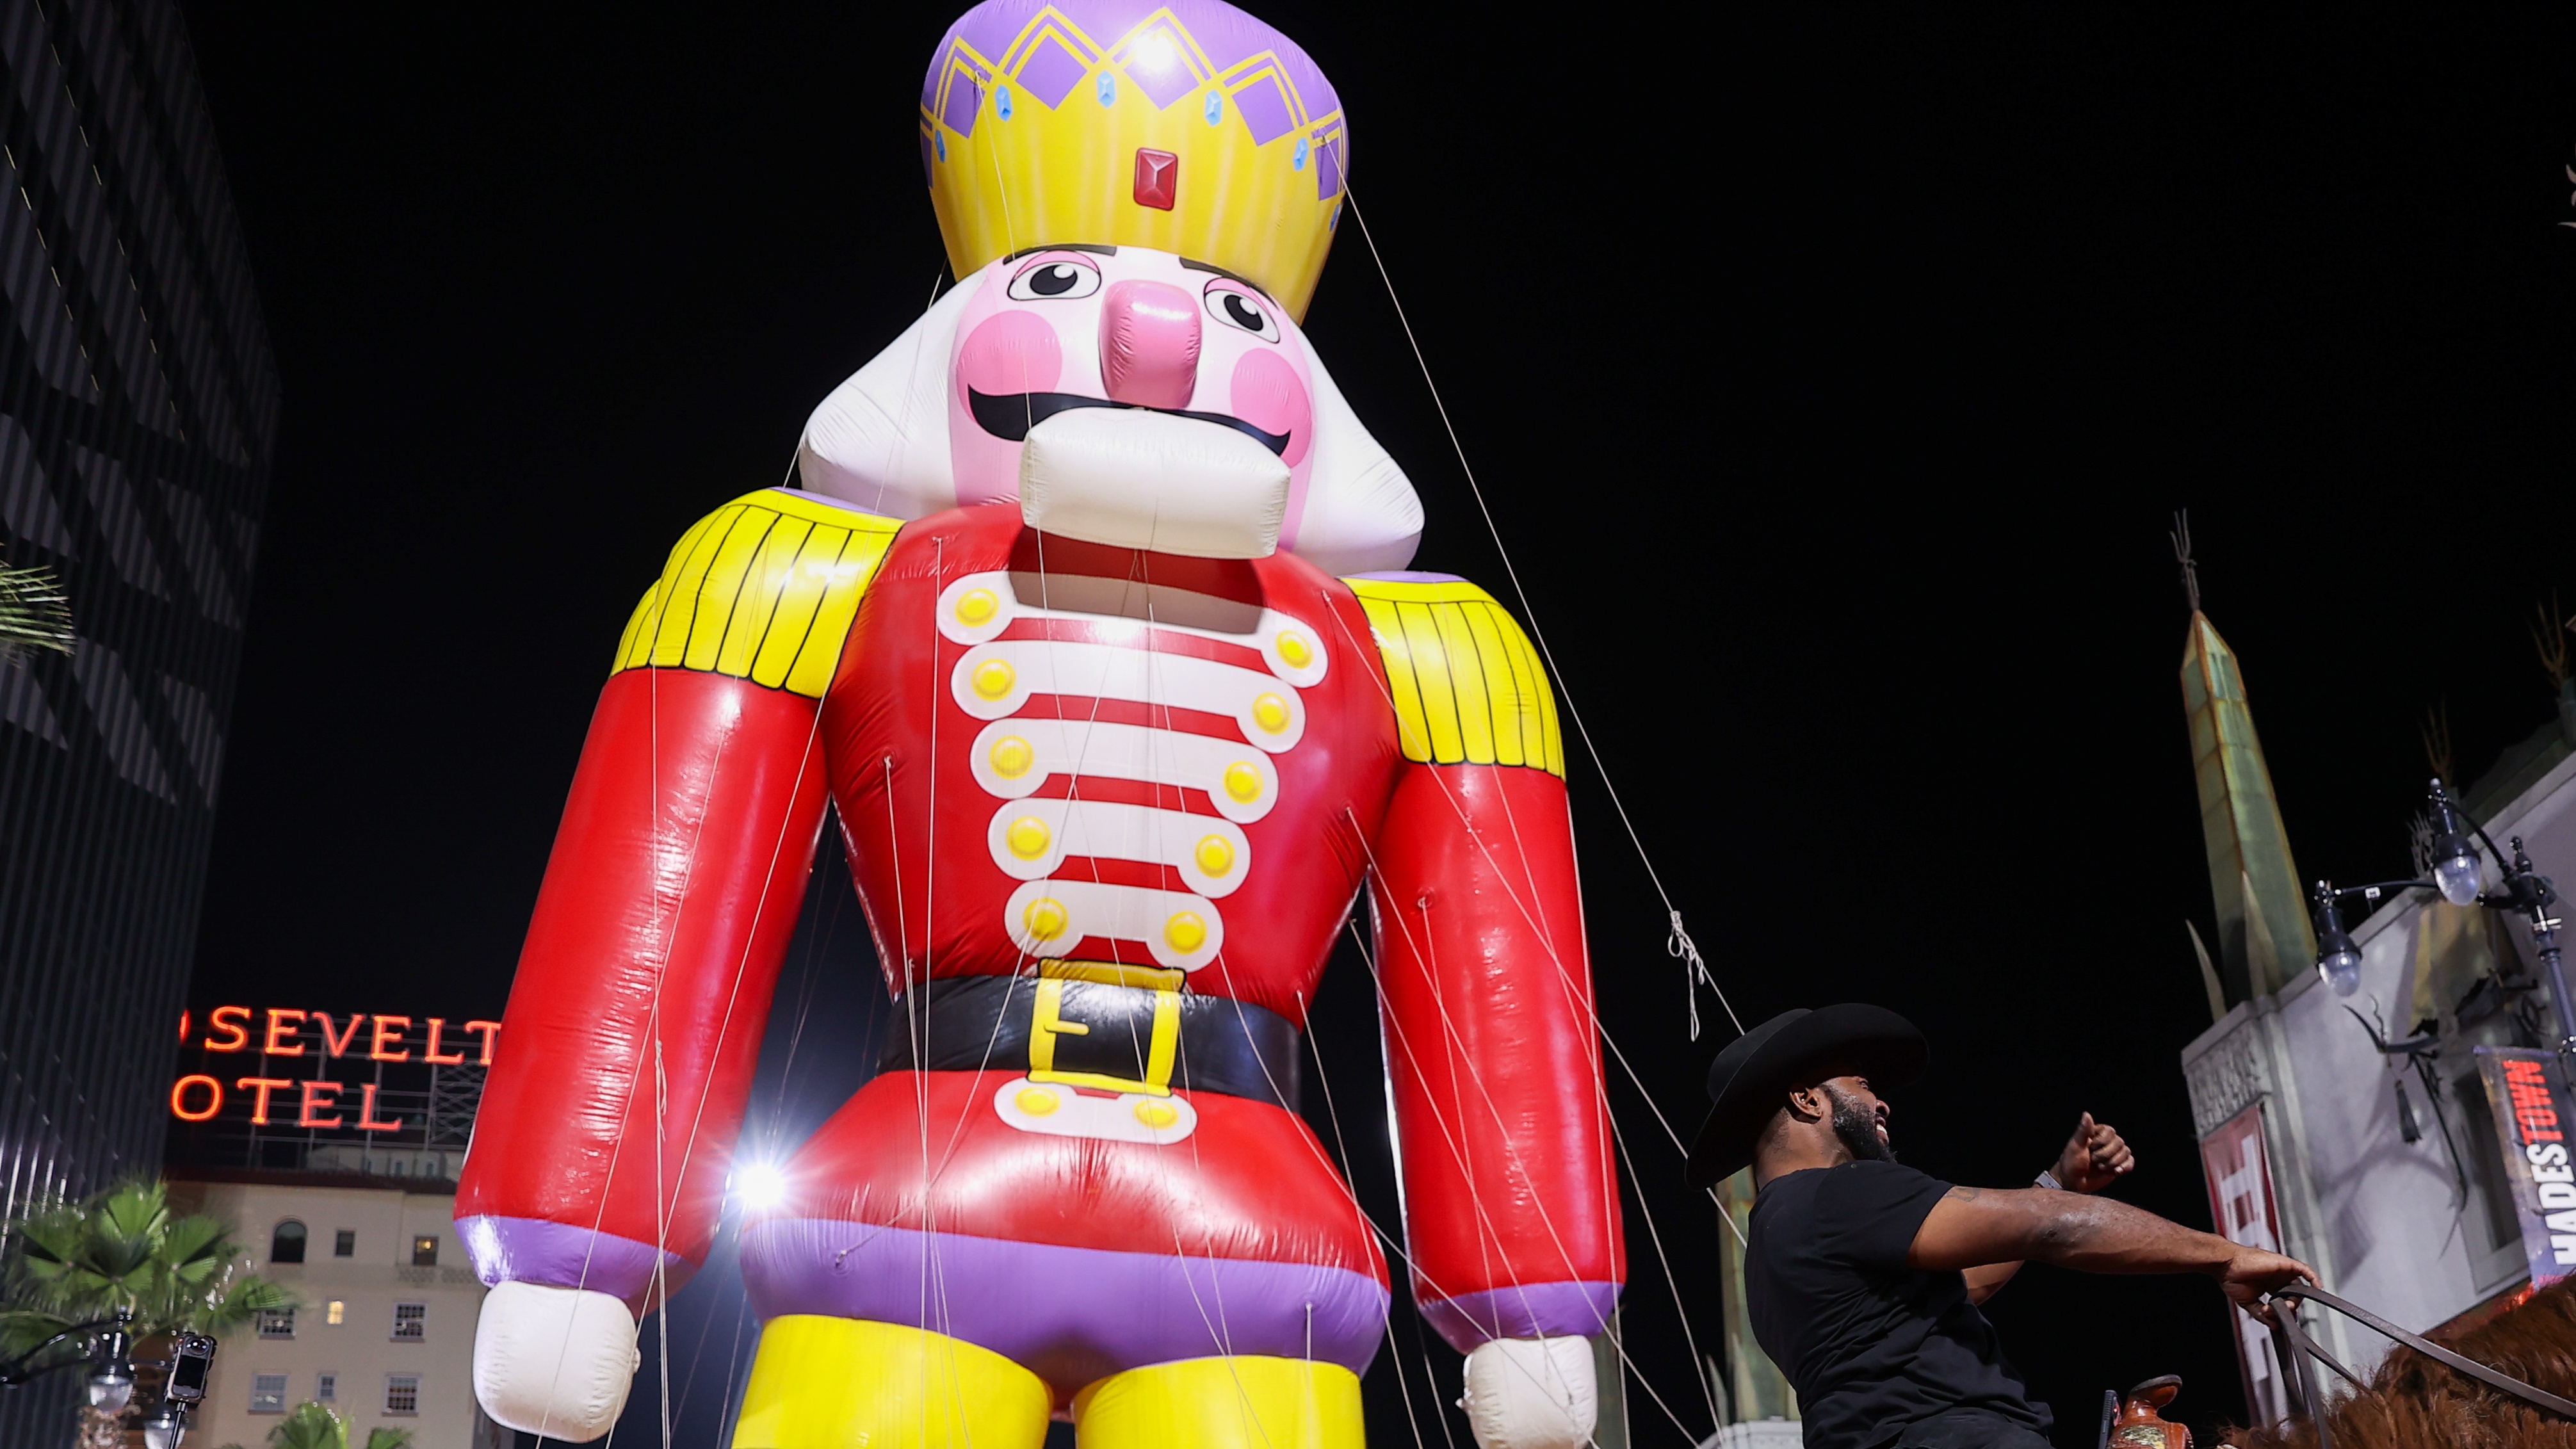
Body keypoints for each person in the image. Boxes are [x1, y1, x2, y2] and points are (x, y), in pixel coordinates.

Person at [1687, 1004, 2317, 1449]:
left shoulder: (1773, 1247)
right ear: (1807, 1099)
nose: (1881, 1101)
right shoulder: (1836, 1192)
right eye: (1862, 1083)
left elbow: (1963, 1284)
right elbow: (2050, 1229)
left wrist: (2058, 1181)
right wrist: (2226, 1257)